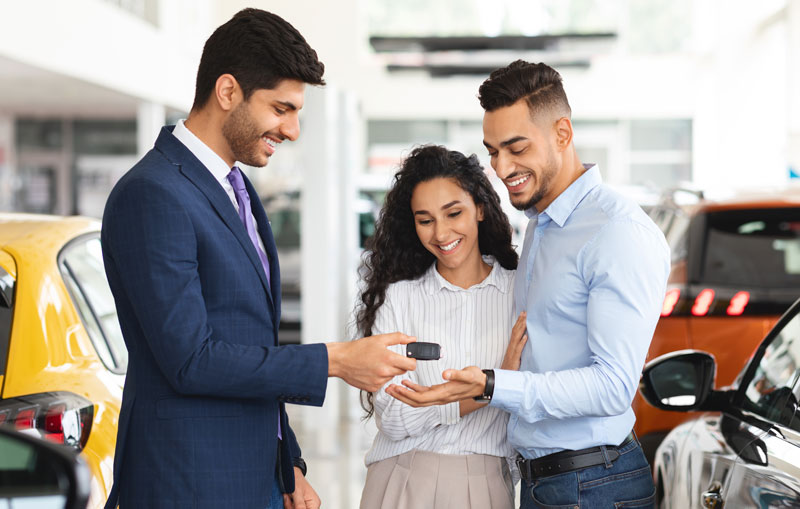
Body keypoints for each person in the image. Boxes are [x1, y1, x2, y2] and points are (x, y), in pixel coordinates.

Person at [101, 9, 416, 509]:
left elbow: (249, 343)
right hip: (189, 481)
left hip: (256, 475)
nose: (292, 130)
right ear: (228, 92)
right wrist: (335, 361)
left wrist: (286, 463)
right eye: (281, 109)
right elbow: (191, 359)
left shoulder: (237, 187)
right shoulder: (152, 194)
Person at [387, 61, 671, 508]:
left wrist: (492, 384)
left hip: (593, 484)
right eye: (493, 151)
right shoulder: (543, 223)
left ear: (562, 133)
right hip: (546, 481)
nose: (502, 167)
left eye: (516, 148)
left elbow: (613, 385)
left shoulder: (616, 231)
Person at [355, 145, 528, 509]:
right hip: (401, 476)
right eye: (425, 219)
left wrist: (442, 397)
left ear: (480, 208)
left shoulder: (520, 291)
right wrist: (492, 387)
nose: (441, 232)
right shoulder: (399, 298)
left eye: (453, 213)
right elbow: (395, 417)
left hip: (486, 483)